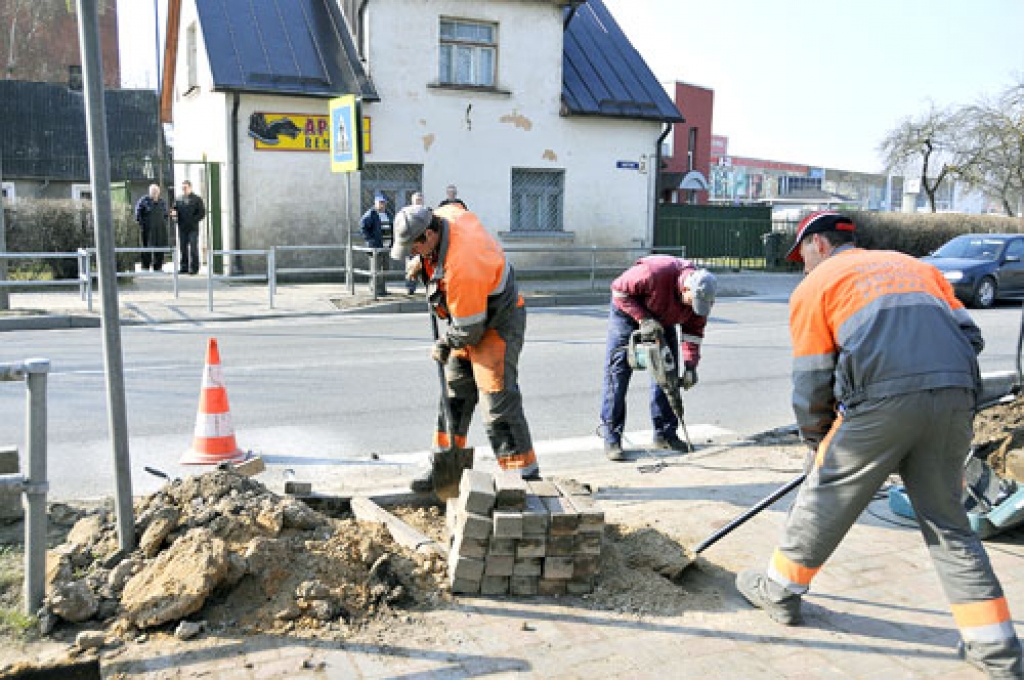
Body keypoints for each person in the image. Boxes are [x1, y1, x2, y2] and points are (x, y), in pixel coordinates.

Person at [736, 211, 1022, 678]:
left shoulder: (817, 285)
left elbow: (811, 382)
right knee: (949, 523)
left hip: (880, 404)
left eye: (802, 255)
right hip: (955, 398)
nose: (802, 266)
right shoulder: (917, 267)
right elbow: (970, 335)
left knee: (824, 496)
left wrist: (816, 441)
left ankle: (780, 593)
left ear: (820, 246)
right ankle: (997, 651)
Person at [391, 204, 539, 489]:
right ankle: (444, 462)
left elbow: (469, 330)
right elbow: (455, 205)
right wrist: (421, 263)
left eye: (413, 248)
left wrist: (445, 344)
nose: (411, 253)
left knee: (496, 400)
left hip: (497, 321)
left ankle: (523, 475)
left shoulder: (463, 265)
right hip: (469, 315)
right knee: (454, 390)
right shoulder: (444, 216)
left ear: (430, 235)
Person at [599, 255, 717, 461]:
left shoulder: (700, 301)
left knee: (668, 376)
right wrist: (643, 319)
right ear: (686, 289)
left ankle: (665, 434)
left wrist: (690, 366)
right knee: (617, 373)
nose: (694, 308)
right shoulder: (655, 273)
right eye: (693, 302)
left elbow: (693, 335)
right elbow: (618, 290)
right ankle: (612, 437)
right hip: (627, 312)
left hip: (664, 317)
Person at [359, 195, 392, 296]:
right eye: (380, 203)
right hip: (376, 247)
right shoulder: (371, 214)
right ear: (375, 203)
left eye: (383, 203)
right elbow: (363, 226)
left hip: (386, 246)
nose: (382, 205)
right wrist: (370, 240)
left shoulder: (387, 214)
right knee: (376, 269)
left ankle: (382, 289)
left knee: (385, 268)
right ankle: (375, 290)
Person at [171, 180, 205, 275]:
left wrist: (194, 220)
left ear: (190, 187)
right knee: (183, 248)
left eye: (185, 187)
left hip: (193, 228)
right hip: (182, 228)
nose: (184, 189)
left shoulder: (197, 199)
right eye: (182, 188)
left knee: (193, 248)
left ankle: (194, 268)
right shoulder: (178, 199)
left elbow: (202, 212)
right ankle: (184, 267)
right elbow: (173, 210)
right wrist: (175, 219)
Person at [134, 184, 168, 272]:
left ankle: (158, 267)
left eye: (156, 191)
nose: (155, 193)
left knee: (160, 247)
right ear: (150, 192)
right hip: (147, 229)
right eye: (153, 191)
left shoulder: (162, 202)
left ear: (159, 192)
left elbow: (165, 214)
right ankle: (145, 267)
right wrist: (141, 224)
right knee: (146, 247)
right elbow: (138, 213)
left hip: (160, 229)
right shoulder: (143, 200)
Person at [403, 192, 426, 294]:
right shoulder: (407, 212)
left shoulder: (426, 212)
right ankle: (410, 287)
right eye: (417, 200)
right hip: (411, 243)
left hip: (424, 243)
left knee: (425, 266)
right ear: (412, 201)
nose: (419, 202)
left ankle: (428, 287)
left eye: (420, 200)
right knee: (411, 266)